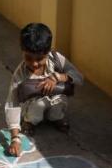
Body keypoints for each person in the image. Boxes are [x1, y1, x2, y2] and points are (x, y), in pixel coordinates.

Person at [5, 23, 83, 157]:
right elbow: (12, 103)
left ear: (48, 52)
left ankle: (56, 118)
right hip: (33, 104)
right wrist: (15, 138)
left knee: (58, 105)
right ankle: (29, 122)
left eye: (39, 59)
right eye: (28, 58)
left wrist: (58, 77)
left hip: (54, 99)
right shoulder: (20, 74)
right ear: (22, 51)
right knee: (38, 107)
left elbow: (79, 78)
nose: (34, 64)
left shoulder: (57, 59)